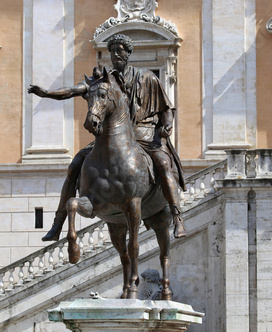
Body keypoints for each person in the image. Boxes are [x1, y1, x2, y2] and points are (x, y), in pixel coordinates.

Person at [28, 33, 187, 241]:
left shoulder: (148, 77)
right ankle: (58, 223)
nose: (115, 54)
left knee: (163, 164)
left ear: (128, 53)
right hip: (114, 136)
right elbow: (74, 90)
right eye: (112, 50)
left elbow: (167, 108)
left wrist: (167, 125)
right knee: (74, 165)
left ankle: (177, 217)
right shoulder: (104, 81)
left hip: (144, 133)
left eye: (120, 50)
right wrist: (48, 94)